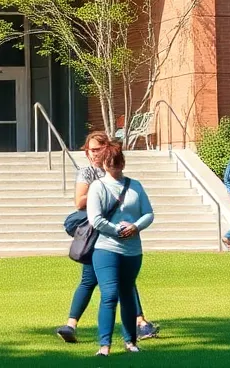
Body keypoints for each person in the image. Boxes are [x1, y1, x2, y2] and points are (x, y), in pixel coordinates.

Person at [56, 131, 159, 344]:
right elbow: (79, 202)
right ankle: (137, 324)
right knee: (100, 281)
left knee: (111, 281)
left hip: (111, 235)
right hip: (97, 233)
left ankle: (73, 325)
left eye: (97, 149)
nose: (92, 154)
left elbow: (144, 209)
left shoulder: (119, 175)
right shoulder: (87, 175)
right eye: (90, 150)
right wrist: (99, 191)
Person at [88, 142, 154, 356]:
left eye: (119, 162)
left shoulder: (135, 185)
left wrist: (136, 226)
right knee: (109, 295)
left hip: (133, 251)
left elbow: (148, 213)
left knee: (127, 294)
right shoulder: (98, 186)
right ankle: (104, 345)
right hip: (106, 249)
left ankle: (130, 342)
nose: (115, 166)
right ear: (104, 164)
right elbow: (95, 219)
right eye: (111, 162)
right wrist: (117, 230)